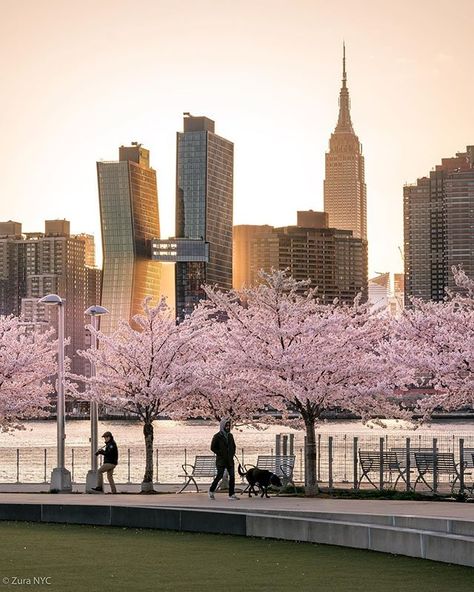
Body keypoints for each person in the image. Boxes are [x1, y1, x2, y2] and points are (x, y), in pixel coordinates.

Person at [209, 417, 238, 500]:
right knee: (219, 476)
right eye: (226, 426)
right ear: (222, 426)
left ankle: (231, 494)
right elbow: (212, 447)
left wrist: (232, 453)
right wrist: (220, 453)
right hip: (221, 460)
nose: (228, 427)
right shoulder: (217, 436)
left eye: (229, 426)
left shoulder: (230, 436)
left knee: (232, 476)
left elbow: (233, 446)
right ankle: (211, 490)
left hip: (230, 460)